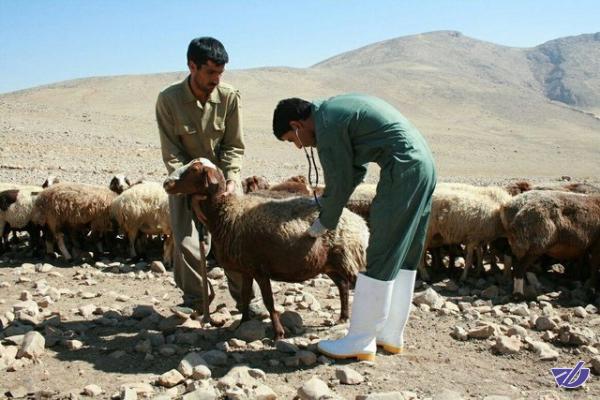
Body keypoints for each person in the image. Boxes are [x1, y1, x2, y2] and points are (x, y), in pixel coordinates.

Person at [272, 94, 436, 361]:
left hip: (404, 169)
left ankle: (360, 339)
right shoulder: (335, 111)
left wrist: (323, 222)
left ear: (297, 124)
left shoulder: (327, 126)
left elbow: (338, 179)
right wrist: (333, 202)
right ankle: (390, 334)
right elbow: (353, 172)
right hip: (424, 164)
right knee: (405, 253)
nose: (298, 147)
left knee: (381, 249)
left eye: (292, 140)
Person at [157, 37, 263, 316]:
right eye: (210, 72)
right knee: (184, 241)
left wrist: (230, 181)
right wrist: (192, 190)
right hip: (186, 179)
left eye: (220, 73)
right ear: (192, 66)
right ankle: (195, 299)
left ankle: (247, 301)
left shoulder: (229, 97)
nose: (216, 79)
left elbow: (233, 145)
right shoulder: (169, 100)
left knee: (233, 238)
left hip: (223, 182)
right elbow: (171, 153)